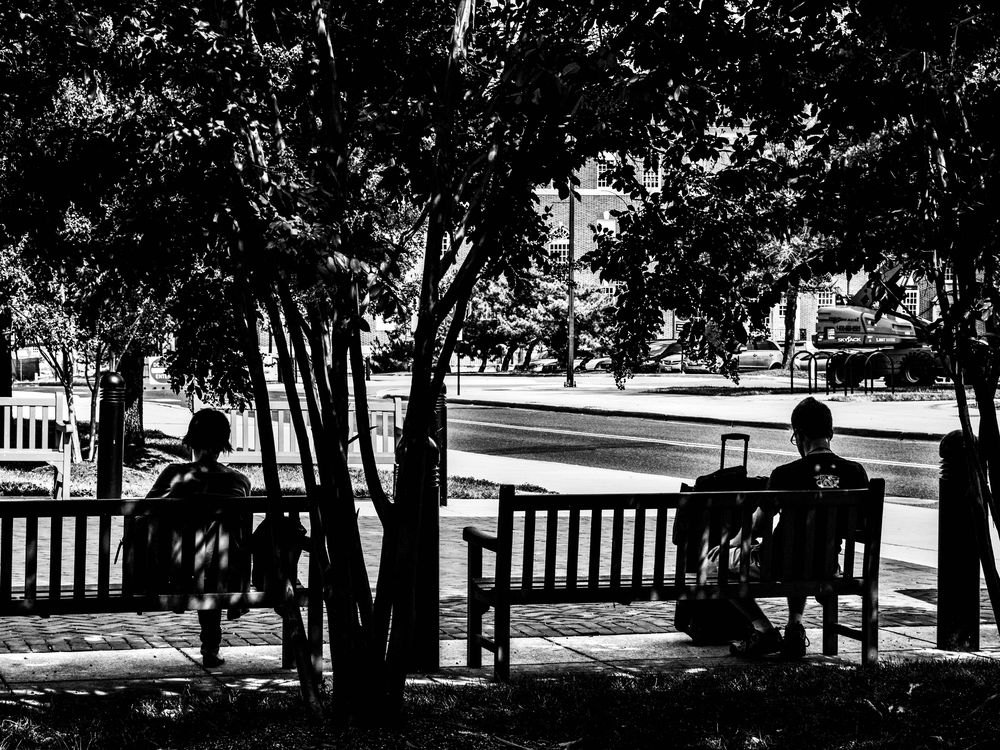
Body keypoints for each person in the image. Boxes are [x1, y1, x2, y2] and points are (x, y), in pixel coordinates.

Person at [727, 396, 869, 660]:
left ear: (799, 435)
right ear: (830, 433)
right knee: (803, 558)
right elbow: (862, 526)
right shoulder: (855, 473)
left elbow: (757, 525)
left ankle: (764, 630)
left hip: (779, 565)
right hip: (826, 566)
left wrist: (731, 546)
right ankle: (795, 626)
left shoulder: (784, 474)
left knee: (714, 564)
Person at [145, 408, 251, 668]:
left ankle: (211, 645)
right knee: (213, 562)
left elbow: (145, 511)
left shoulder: (174, 475)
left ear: (191, 440)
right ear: (223, 444)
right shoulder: (239, 481)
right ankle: (211, 648)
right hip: (227, 575)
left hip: (178, 572)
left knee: (202, 563)